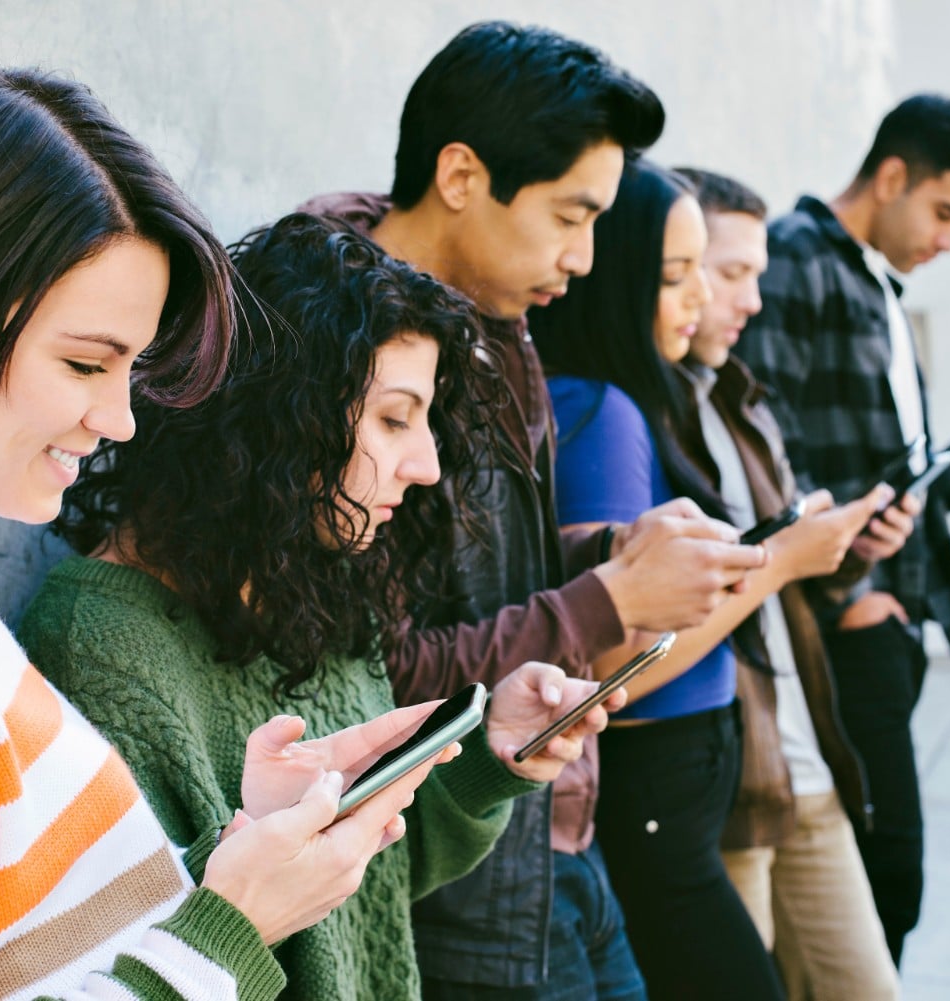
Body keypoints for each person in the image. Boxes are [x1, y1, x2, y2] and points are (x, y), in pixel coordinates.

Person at [0, 53, 445, 1001]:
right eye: (84, 363)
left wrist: (234, 852)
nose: (119, 419)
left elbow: (24, 950)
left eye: (128, 370)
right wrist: (234, 926)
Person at [19, 211, 622, 1000]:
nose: (429, 465)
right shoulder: (97, 643)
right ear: (279, 411)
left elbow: (358, 889)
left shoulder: (315, 591)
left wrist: (484, 758)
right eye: (393, 418)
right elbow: (145, 955)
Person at [304, 23, 767, 999]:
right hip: (447, 888)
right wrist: (605, 597)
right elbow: (373, 676)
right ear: (463, 176)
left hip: (556, 842)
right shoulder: (326, 343)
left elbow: (494, 566)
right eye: (570, 214)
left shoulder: (498, 321)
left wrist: (616, 552)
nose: (590, 256)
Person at [528, 159, 891, 1001]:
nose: (707, 300)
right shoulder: (604, 411)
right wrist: (780, 563)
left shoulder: (655, 399)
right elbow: (615, 646)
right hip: (659, 767)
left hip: (694, 767)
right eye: (680, 275)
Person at [733, 94, 950, 963]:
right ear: (892, 175)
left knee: (880, 881)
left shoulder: (866, 275)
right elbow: (768, 460)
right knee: (887, 882)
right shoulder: (796, 261)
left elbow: (879, 476)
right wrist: (853, 589)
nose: (949, 240)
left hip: (882, 623)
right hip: (839, 626)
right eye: (945, 212)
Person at [672, 166, 906, 1000]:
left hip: (806, 755)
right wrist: (790, 554)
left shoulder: (739, 397)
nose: (751, 300)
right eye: (732, 272)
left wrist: (843, 546)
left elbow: (783, 576)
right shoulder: (644, 411)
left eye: (753, 275)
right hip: (732, 779)